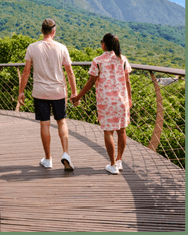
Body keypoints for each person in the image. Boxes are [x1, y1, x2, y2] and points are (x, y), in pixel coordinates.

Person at [18, 18, 77, 171]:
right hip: (58, 92)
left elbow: (26, 72)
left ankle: (48, 159)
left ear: (42, 31)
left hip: (40, 93)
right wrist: (74, 92)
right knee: (62, 122)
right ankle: (66, 153)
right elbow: (70, 72)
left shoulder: (32, 47)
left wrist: (21, 91)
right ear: (54, 32)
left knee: (44, 124)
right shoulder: (62, 48)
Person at [71, 33, 132, 175]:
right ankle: (119, 160)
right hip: (121, 101)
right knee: (122, 130)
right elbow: (127, 81)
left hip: (106, 102)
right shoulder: (122, 59)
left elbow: (91, 81)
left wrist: (77, 96)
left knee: (108, 131)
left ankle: (112, 164)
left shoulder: (98, 61)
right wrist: (129, 98)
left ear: (104, 44)